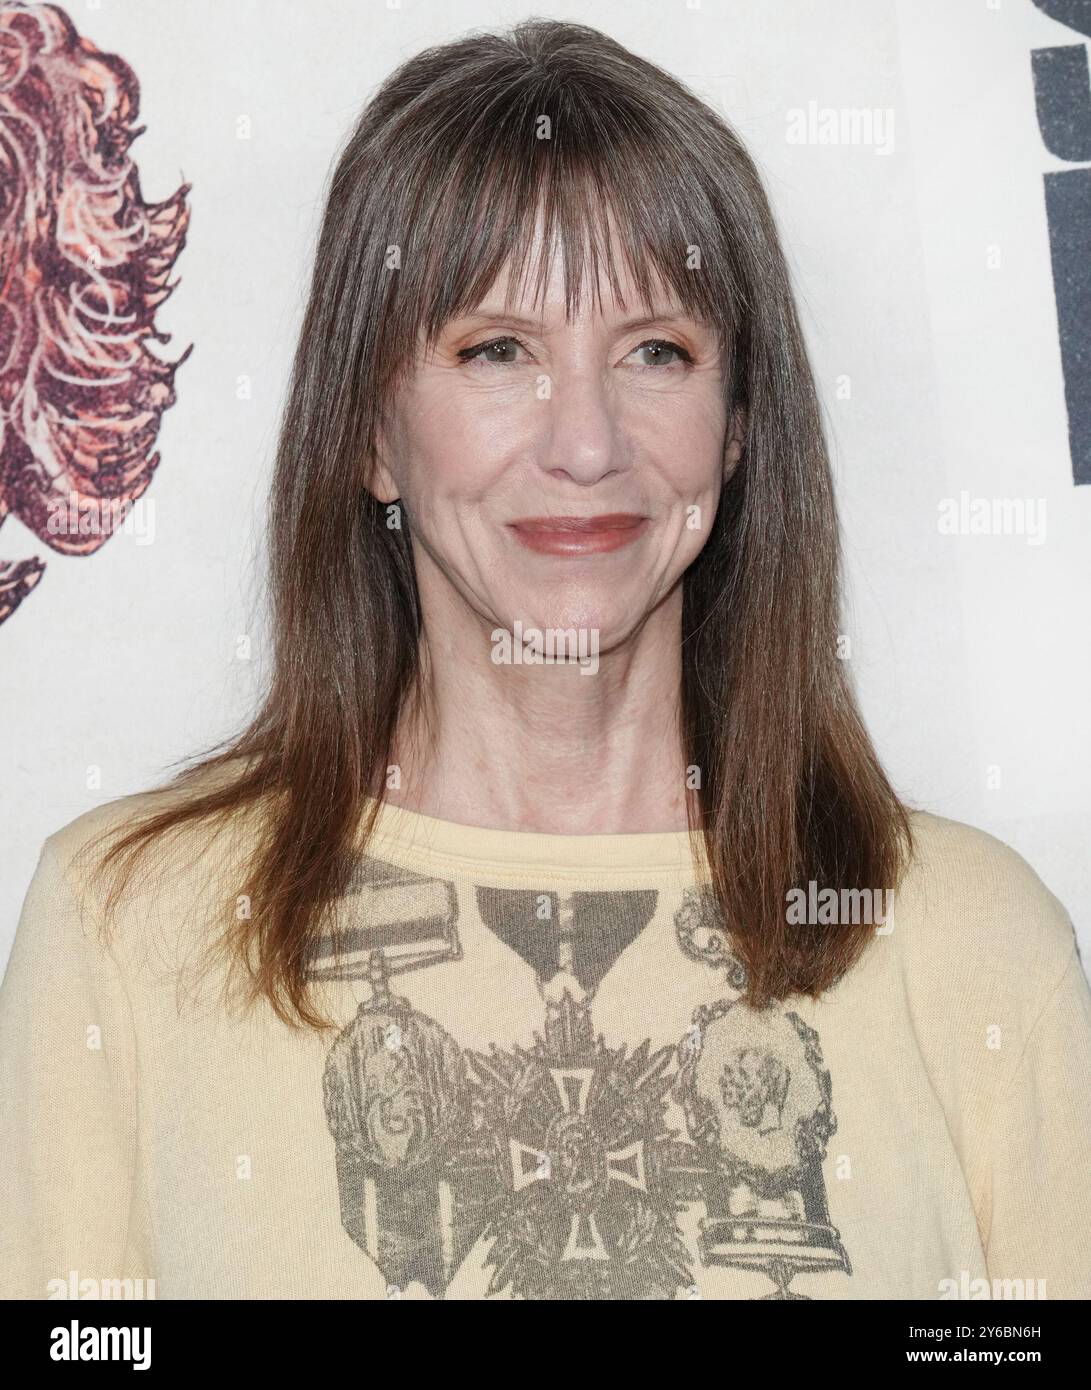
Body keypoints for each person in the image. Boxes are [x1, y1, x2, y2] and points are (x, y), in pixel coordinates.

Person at [2, 17, 1089, 1302]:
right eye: (496, 350)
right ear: (370, 434)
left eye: (655, 352)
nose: (585, 441)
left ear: (737, 431)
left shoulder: (969, 939)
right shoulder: (129, 925)